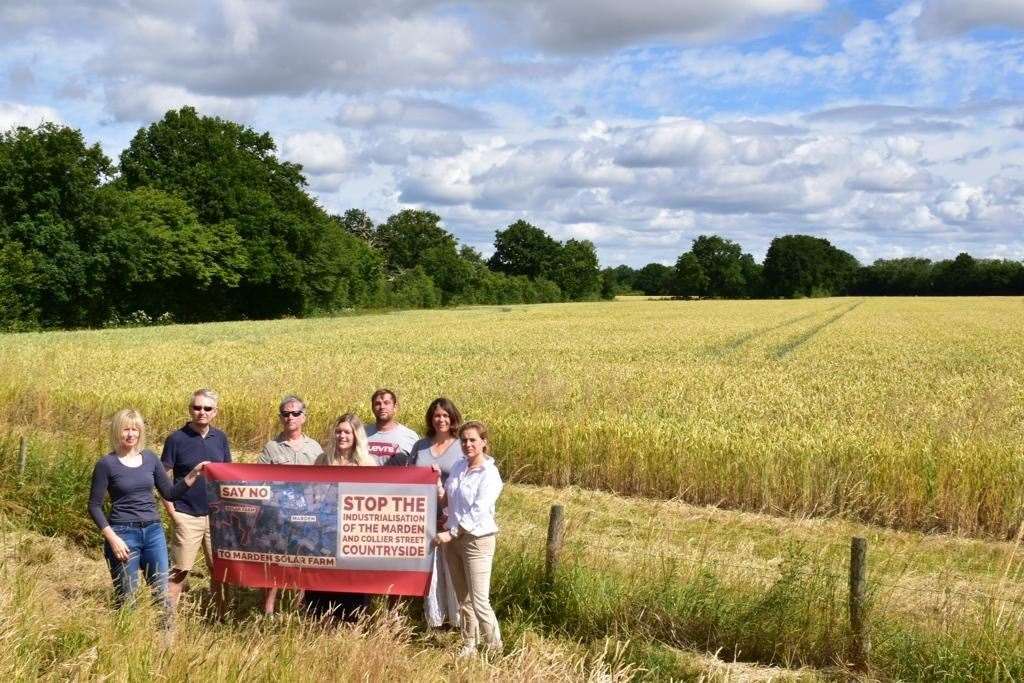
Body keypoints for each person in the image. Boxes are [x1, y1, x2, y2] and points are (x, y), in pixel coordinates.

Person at [88, 409, 208, 626]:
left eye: (135, 429)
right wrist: (113, 539)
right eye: (126, 429)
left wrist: (194, 474)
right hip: (123, 535)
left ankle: (166, 645)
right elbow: (94, 507)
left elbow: (169, 493)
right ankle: (127, 644)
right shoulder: (106, 464)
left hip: (153, 533)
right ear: (117, 431)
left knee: (162, 594)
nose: (131, 434)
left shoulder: (150, 458)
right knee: (127, 597)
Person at [434, 420, 504, 657]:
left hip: (476, 540)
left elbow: (478, 510)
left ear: (484, 443)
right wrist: (436, 484)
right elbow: (447, 501)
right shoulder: (458, 467)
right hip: (452, 540)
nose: (467, 444)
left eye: (473, 440)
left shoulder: (490, 474)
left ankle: (495, 649)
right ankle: (469, 645)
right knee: (463, 599)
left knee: (480, 600)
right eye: (464, 440)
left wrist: (451, 533)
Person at [161, 388, 232, 616]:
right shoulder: (176, 439)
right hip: (186, 514)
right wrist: (173, 513)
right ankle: (168, 620)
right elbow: (163, 478)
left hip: (215, 518)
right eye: (197, 407)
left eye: (207, 408)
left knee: (219, 570)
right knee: (180, 571)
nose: (202, 412)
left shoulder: (220, 438)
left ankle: (220, 617)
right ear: (190, 409)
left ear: (215, 412)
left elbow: (228, 474)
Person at [305, 413, 377, 621]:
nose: (342, 436)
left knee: (352, 578)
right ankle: (320, 618)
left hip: (354, 531)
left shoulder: (367, 464)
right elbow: (310, 490)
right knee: (323, 577)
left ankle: (351, 619)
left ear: (356, 436)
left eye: (347, 432)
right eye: (338, 431)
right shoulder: (322, 460)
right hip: (324, 529)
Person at [258, 394, 324, 615]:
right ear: (281, 417)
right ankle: (268, 612)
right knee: (274, 563)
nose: (290, 417)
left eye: (295, 413)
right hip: (278, 515)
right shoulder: (271, 448)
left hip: (306, 516)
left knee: (302, 563)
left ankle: (300, 610)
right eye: (286, 414)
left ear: (304, 417)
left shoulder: (315, 448)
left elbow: (322, 483)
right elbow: (261, 482)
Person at [413, 397, 464, 630]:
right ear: (430, 419)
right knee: (431, 570)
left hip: (450, 516)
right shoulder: (420, 446)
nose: (440, 419)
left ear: (452, 418)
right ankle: (435, 619)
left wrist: (451, 512)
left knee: (453, 568)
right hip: (423, 516)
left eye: (445, 415)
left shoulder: (461, 446)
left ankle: (457, 620)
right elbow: (408, 476)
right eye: (436, 415)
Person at [365, 388, 419, 466]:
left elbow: (418, 467)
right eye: (377, 404)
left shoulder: (410, 436)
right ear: (372, 408)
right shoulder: (361, 434)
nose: (382, 407)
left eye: (386, 403)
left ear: (395, 407)